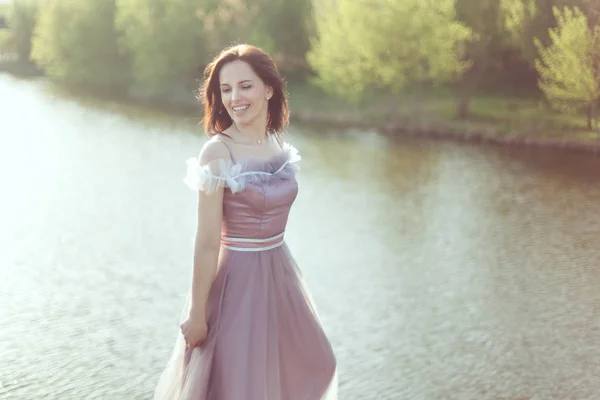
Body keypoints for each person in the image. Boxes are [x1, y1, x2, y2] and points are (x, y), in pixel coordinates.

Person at [153, 44, 338, 400]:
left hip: (280, 277)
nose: (235, 97)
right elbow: (207, 241)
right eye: (225, 89)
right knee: (240, 384)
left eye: (245, 86)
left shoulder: (275, 144)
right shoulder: (218, 152)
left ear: (269, 88)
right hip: (237, 283)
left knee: (318, 363)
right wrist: (197, 313)